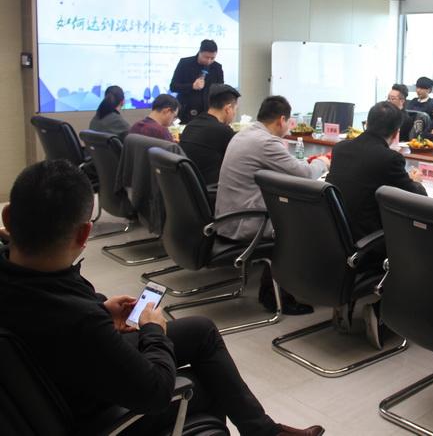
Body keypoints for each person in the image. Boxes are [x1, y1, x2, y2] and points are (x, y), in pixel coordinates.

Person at [0, 160, 324, 436]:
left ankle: (266, 432)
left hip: (68, 368)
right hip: (96, 406)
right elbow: (155, 392)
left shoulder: (20, 280)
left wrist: (101, 308)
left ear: (8, 218)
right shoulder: (80, 321)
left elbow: (66, 307)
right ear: (85, 233)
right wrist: (153, 330)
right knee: (207, 384)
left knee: (201, 331)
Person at [216, 95, 330, 315]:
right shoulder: (266, 142)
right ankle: (277, 295)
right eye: (288, 122)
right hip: (246, 221)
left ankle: (277, 288)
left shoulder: (245, 133)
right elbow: (305, 174)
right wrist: (322, 162)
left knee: (293, 215)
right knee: (303, 225)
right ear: (281, 120)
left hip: (227, 217)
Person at [327, 101, 427, 242]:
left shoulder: (340, 148)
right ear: (396, 133)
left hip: (334, 233)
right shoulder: (390, 158)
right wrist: (415, 182)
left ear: (367, 124)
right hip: (367, 238)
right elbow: (417, 199)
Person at [179, 84, 240, 185]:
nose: (234, 114)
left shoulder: (191, 124)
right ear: (228, 108)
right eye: (235, 110)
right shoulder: (223, 131)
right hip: (210, 189)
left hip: (189, 187)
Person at [170, 39, 224, 124]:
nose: (209, 61)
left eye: (212, 58)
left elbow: (221, 90)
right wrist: (192, 86)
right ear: (200, 52)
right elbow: (173, 87)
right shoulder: (185, 63)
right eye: (206, 57)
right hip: (186, 112)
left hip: (208, 113)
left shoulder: (217, 67)